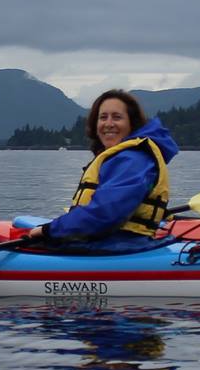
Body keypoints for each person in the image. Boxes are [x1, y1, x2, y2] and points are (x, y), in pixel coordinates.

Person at [21, 89, 179, 252]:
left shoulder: (132, 160)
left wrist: (48, 230)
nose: (108, 123)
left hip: (119, 245)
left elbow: (105, 213)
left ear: (132, 123)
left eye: (117, 117)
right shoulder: (124, 157)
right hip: (109, 240)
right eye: (103, 117)